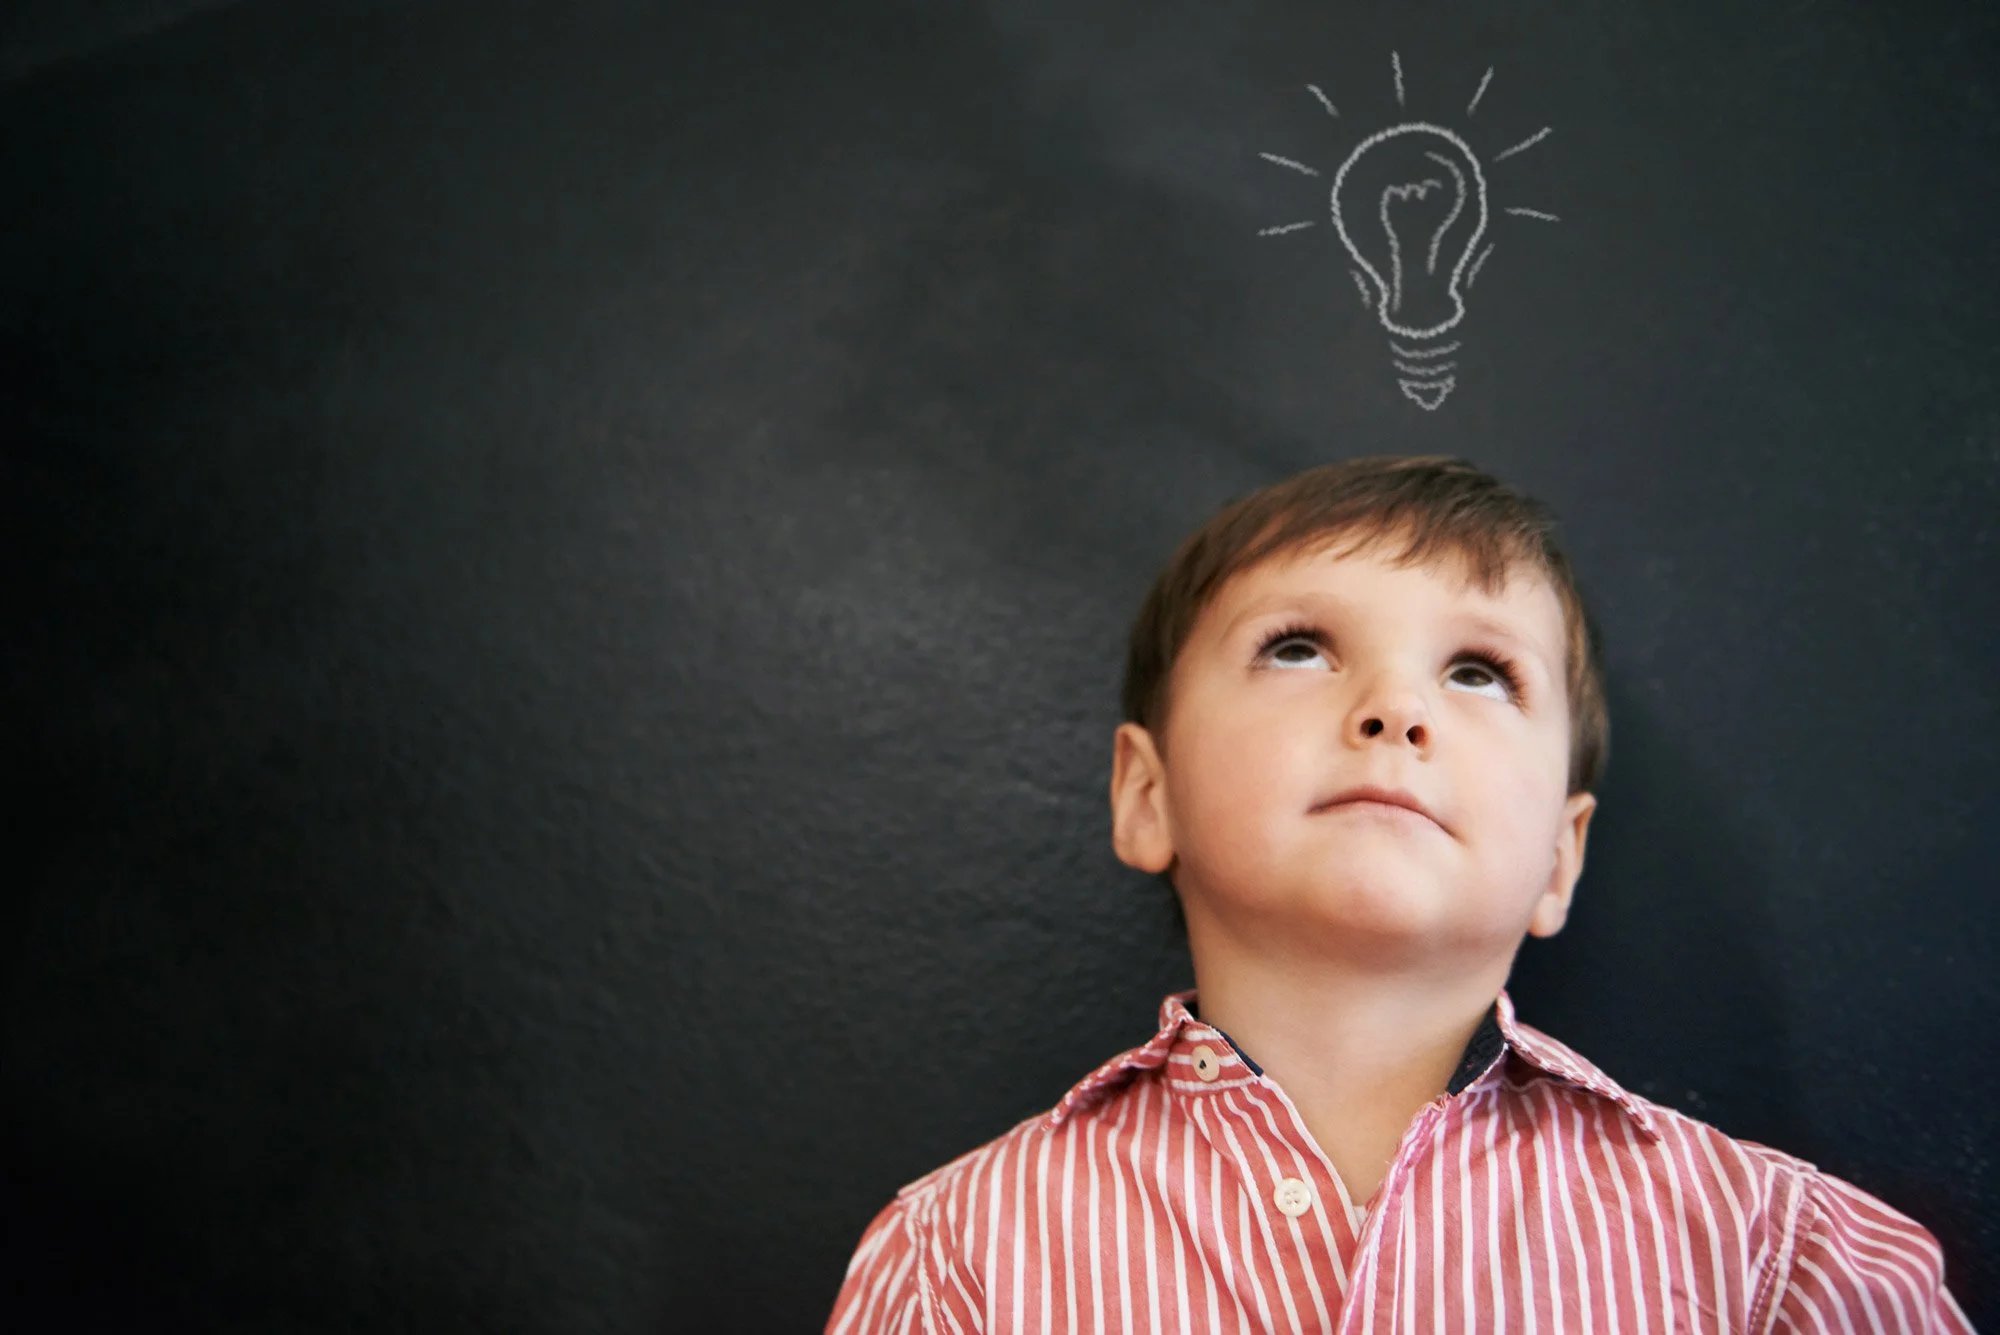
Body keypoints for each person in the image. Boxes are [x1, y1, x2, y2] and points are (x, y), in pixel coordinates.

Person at [825, 456, 1971, 1334]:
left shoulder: (1785, 1269)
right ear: (1145, 794)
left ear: (1560, 861)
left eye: (1478, 672)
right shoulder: (957, 1265)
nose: (1393, 710)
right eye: (1296, 647)